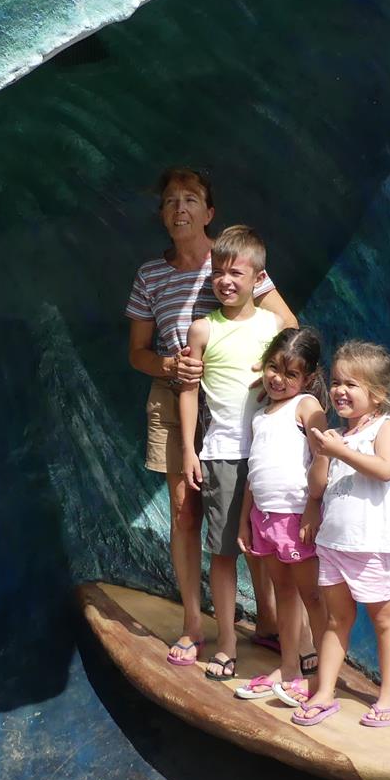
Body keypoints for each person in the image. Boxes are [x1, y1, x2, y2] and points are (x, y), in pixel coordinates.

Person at [125, 169, 293, 661]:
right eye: (171, 201)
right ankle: (194, 622)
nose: (180, 208)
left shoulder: (232, 260)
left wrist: (264, 373)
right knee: (184, 509)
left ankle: (266, 618)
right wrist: (167, 363)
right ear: (161, 214)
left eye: (191, 199)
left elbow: (287, 325)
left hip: (237, 400)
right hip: (175, 395)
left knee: (251, 504)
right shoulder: (150, 276)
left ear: (209, 211)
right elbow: (137, 351)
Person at [176, 225, 288, 680]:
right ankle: (225, 641)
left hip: (269, 457)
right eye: (218, 272)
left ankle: (288, 642)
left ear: (257, 277)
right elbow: (187, 393)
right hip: (222, 454)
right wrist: (189, 450)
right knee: (224, 553)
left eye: (236, 273)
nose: (226, 280)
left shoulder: (274, 327)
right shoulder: (202, 328)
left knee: (277, 551)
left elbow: (292, 376)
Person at [292, 341, 390, 729]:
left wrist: (340, 451)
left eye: (352, 385)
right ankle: (325, 692)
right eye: (337, 382)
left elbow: (384, 469)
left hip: (373, 547)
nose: (340, 390)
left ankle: (389, 696)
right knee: (334, 620)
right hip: (335, 546)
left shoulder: (387, 427)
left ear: (376, 395)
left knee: (384, 621)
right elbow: (318, 485)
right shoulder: (336, 435)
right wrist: (323, 453)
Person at [234, 327, 329, 706]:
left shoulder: (307, 406)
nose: (279, 378)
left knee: (312, 597)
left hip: (296, 520)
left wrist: (313, 506)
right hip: (265, 519)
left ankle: (324, 675)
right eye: (274, 367)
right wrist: (245, 519)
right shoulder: (261, 415)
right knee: (284, 593)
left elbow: (324, 455)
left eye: (291, 374)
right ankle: (289, 668)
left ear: (307, 379)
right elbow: (253, 477)